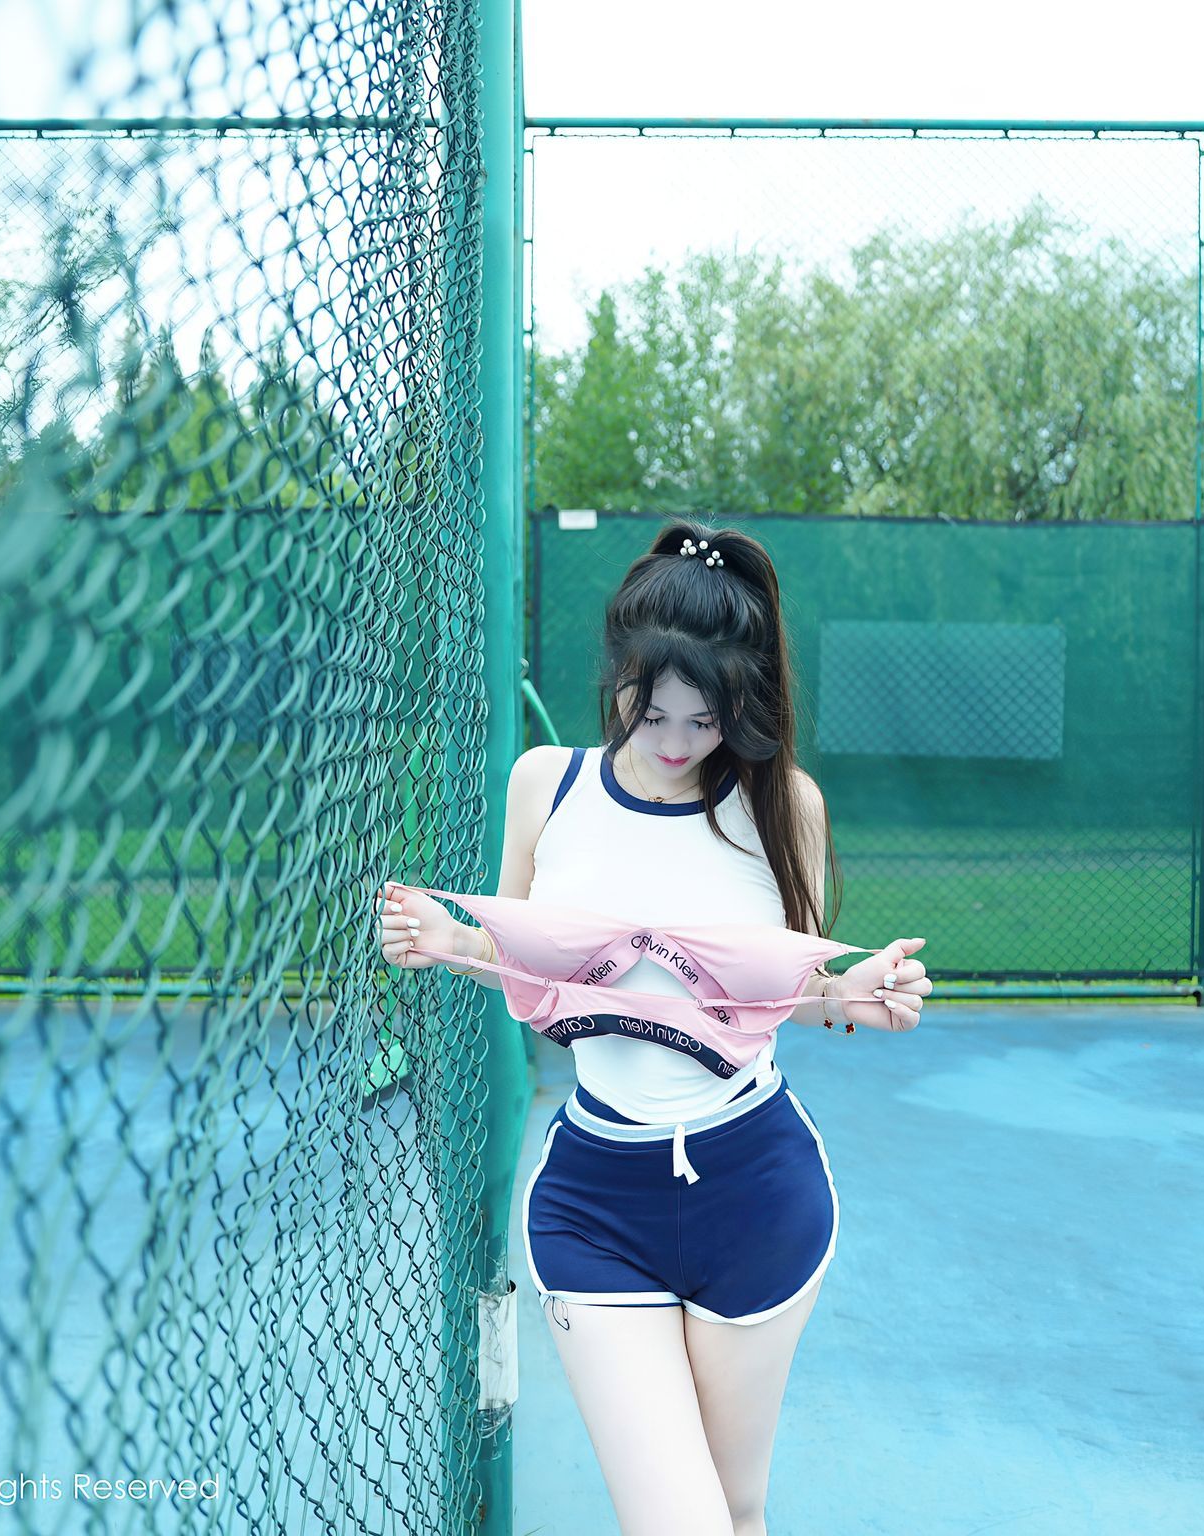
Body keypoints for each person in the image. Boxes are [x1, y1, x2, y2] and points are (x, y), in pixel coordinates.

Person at [375, 520, 931, 1536]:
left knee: (739, 1509)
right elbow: (520, 959)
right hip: (597, 1200)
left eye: (705, 719)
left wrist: (856, 993)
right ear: (619, 674)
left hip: (755, 1189)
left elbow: (789, 992)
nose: (675, 741)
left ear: (745, 705)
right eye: (651, 708)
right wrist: (446, 940)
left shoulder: (783, 805)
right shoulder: (547, 783)